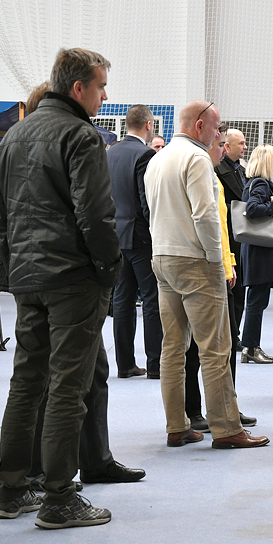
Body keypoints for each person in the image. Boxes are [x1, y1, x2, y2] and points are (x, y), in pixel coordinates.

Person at [0, 47, 124, 529]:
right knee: (69, 388)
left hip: (28, 276)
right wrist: (109, 269)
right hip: (72, 278)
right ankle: (59, 498)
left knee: (26, 383)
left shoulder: (16, 134)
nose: (104, 96)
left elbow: (1, 213)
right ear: (78, 88)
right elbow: (96, 214)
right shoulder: (81, 135)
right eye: (101, 86)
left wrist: (6, 272)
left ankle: (12, 489)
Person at [145, 100, 269, 450]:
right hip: (196, 262)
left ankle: (176, 425)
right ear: (199, 125)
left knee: (173, 347)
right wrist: (217, 261)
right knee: (215, 349)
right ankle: (227, 428)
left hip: (163, 258)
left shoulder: (158, 159)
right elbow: (205, 216)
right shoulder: (197, 158)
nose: (218, 135)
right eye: (216, 128)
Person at [186, 125, 257, 432]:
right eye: (222, 145)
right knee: (203, 345)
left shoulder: (220, 173)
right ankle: (203, 411)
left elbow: (222, 226)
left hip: (224, 265)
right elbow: (208, 224)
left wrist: (228, 263)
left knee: (225, 341)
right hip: (206, 268)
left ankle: (225, 406)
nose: (225, 150)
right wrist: (221, 264)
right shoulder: (206, 173)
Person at [107, 104, 161, 380]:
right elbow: (146, 200)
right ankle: (155, 364)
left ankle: (125, 364)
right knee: (152, 299)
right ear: (149, 125)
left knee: (122, 300)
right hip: (141, 238)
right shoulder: (146, 154)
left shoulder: (110, 152)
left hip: (115, 236)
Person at [239, 144, 273, 365]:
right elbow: (253, 209)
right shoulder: (261, 184)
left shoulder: (255, 183)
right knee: (257, 301)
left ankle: (251, 346)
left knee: (256, 301)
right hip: (261, 250)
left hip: (256, 248)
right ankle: (250, 347)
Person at [215, 128, 248, 355]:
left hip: (240, 235)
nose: (245, 147)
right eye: (241, 143)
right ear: (227, 146)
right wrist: (239, 209)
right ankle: (230, 334)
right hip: (228, 236)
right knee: (232, 289)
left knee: (240, 289)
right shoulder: (217, 170)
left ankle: (234, 333)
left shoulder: (241, 170)